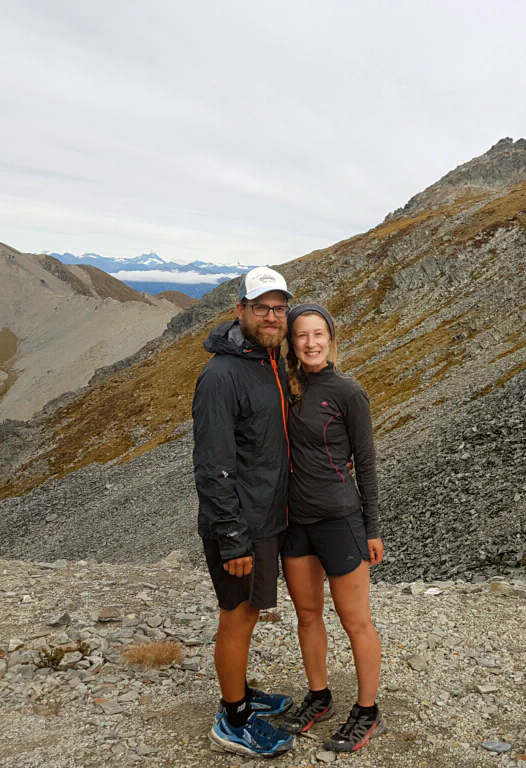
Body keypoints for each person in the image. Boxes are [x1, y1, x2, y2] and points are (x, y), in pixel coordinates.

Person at [192, 266, 297, 759]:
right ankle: (231, 720)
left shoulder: (267, 362)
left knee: (249, 613)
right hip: (239, 525)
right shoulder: (222, 374)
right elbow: (213, 464)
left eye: (279, 308)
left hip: (263, 518)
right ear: (241, 312)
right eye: (262, 308)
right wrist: (232, 538)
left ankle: (241, 695)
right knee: (237, 616)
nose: (272, 316)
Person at [277, 303, 386, 753]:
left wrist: (372, 526)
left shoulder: (348, 392)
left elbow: (367, 462)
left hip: (341, 519)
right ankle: (319, 696)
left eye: (319, 333)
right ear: (291, 343)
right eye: (302, 335)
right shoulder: (284, 388)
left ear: (331, 338)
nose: (311, 343)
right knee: (307, 615)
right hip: (293, 521)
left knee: (355, 621)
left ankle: (367, 711)